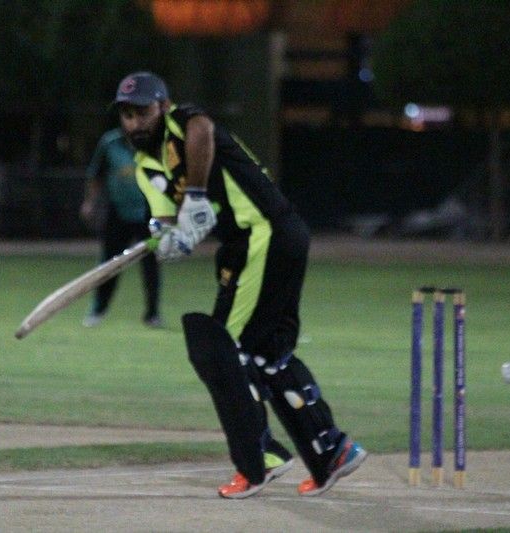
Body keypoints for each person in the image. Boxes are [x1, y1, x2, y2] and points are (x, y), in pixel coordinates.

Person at [111, 71, 366, 498]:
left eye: (143, 112)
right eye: (127, 115)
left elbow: (202, 129)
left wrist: (195, 196)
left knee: (223, 349)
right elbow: (169, 221)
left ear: (163, 106)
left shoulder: (185, 124)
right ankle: (331, 450)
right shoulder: (145, 167)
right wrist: (169, 239)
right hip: (252, 243)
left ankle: (258, 458)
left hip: (263, 232)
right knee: (268, 354)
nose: (135, 123)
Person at [79, 127, 162, 328]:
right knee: (109, 263)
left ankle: (152, 313)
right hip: (117, 213)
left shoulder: (154, 142)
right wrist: (89, 202)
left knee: (151, 264)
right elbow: (96, 175)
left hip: (148, 214)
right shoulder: (110, 143)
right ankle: (98, 310)